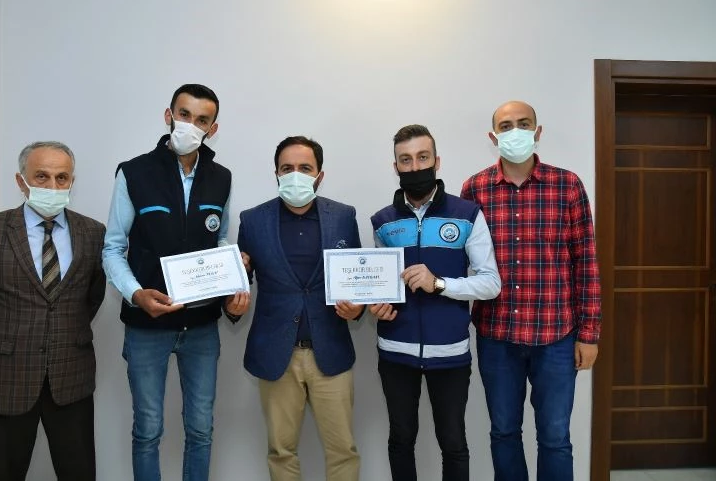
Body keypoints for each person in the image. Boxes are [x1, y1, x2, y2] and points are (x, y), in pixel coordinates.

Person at [102, 83, 250, 481]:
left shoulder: (221, 178)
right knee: (148, 430)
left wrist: (234, 271)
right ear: (169, 116)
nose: (190, 125)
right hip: (146, 325)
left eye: (202, 120)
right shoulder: (133, 173)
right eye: (184, 115)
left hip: (201, 327)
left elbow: (220, 240)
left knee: (201, 430)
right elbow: (112, 249)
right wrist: (136, 294)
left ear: (212, 129)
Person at [0, 141, 106, 481]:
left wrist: (60, 334)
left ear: (72, 182)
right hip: (4, 378)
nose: (53, 186)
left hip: (70, 378)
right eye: (41, 176)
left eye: (62, 178)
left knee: (79, 473)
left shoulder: (93, 233)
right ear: (21, 181)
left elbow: (91, 298)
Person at [460, 100, 602, 481]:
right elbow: (459, 259)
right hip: (497, 335)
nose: (515, 132)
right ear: (493, 137)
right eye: (506, 126)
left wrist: (589, 334)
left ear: (537, 132)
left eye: (524, 124)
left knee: (555, 438)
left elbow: (585, 261)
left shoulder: (568, 185)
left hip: (556, 335)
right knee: (504, 432)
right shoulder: (474, 189)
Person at [369, 124, 502, 481]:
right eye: (406, 160)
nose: (415, 167)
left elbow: (491, 283)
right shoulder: (382, 222)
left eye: (422, 157)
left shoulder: (467, 214)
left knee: (453, 443)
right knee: (400, 440)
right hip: (395, 351)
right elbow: (381, 284)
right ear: (395, 167)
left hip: (450, 352)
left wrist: (439, 284)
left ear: (437, 161)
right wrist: (378, 305)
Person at [237, 136, 362, 481]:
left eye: (305, 168)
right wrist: (233, 303)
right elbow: (239, 283)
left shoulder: (344, 217)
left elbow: (357, 279)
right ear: (276, 174)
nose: (295, 175)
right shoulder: (252, 220)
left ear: (319, 175)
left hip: (331, 352)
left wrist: (357, 310)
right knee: (281, 452)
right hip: (276, 353)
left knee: (343, 451)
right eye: (287, 168)